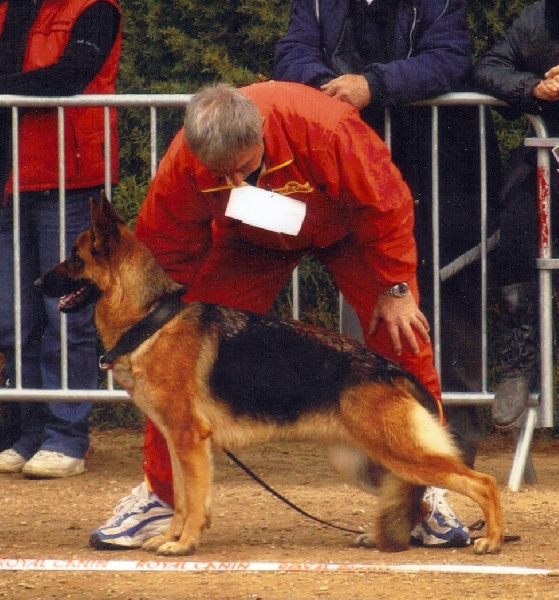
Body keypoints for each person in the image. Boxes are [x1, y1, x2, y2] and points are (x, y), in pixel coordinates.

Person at [89, 80, 470, 551]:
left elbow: (386, 205)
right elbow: (165, 251)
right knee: (171, 370)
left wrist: (395, 289)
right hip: (250, 240)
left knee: (404, 338)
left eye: (242, 168)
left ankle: (427, 495)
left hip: (350, 232)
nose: (231, 182)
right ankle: (163, 497)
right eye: (219, 173)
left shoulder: (326, 131)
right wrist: (147, 335)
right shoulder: (184, 161)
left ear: (261, 134)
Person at [272, 0, 502, 546]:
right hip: (354, 181)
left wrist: (372, 85)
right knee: (374, 345)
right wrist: (332, 89)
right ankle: (397, 495)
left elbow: (451, 59)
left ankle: (441, 486)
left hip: (446, 184)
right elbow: (290, 54)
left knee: (448, 329)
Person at [0, 0, 122, 478]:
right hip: (9, 180)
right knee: (16, 317)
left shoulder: (95, 8)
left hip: (68, 179)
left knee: (64, 316)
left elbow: (68, 78)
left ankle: (66, 436)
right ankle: (29, 434)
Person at [474, 0, 559, 429]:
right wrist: (534, 89)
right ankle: (519, 364)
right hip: (550, 163)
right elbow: (488, 66)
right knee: (516, 218)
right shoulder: (539, 17)